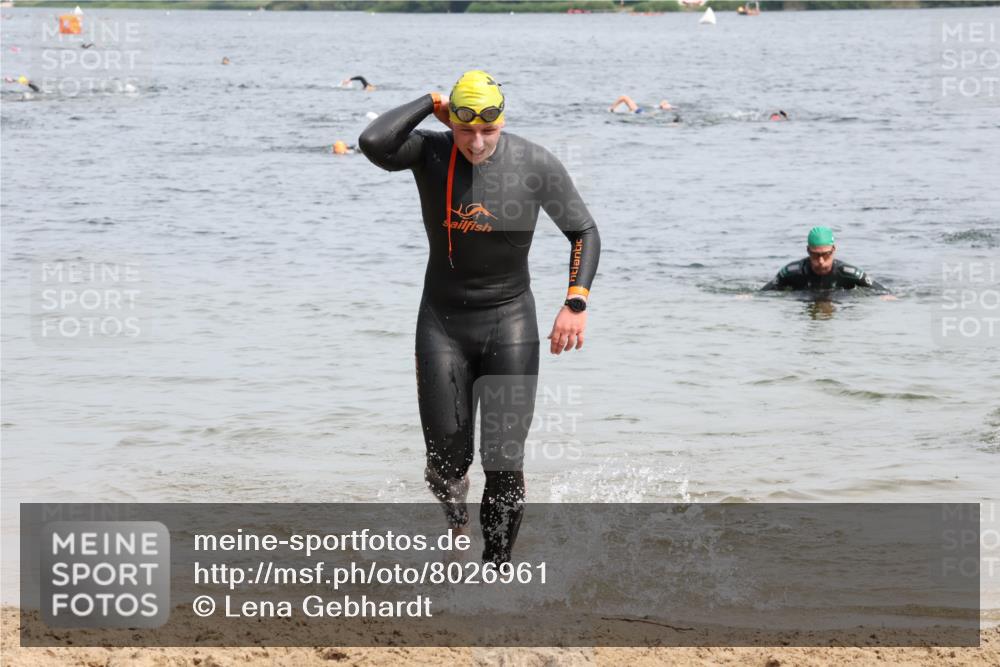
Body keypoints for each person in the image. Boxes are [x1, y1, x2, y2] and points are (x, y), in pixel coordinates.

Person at [358, 70, 600, 564]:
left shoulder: (534, 163)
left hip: (509, 322)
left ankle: (497, 569)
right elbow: (373, 142)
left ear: (501, 121)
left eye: (487, 131)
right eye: (466, 131)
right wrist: (429, 101)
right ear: (453, 122)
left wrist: (575, 301)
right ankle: (456, 519)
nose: (476, 142)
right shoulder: (430, 152)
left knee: (505, 459)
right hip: (442, 324)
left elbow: (583, 231)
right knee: (444, 465)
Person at [761, 226, 889, 292]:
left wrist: (888, 296)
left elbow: (881, 290)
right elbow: (764, 292)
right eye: (815, 255)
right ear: (808, 251)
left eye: (826, 254)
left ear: (833, 250)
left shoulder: (847, 273)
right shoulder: (792, 272)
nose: (821, 261)